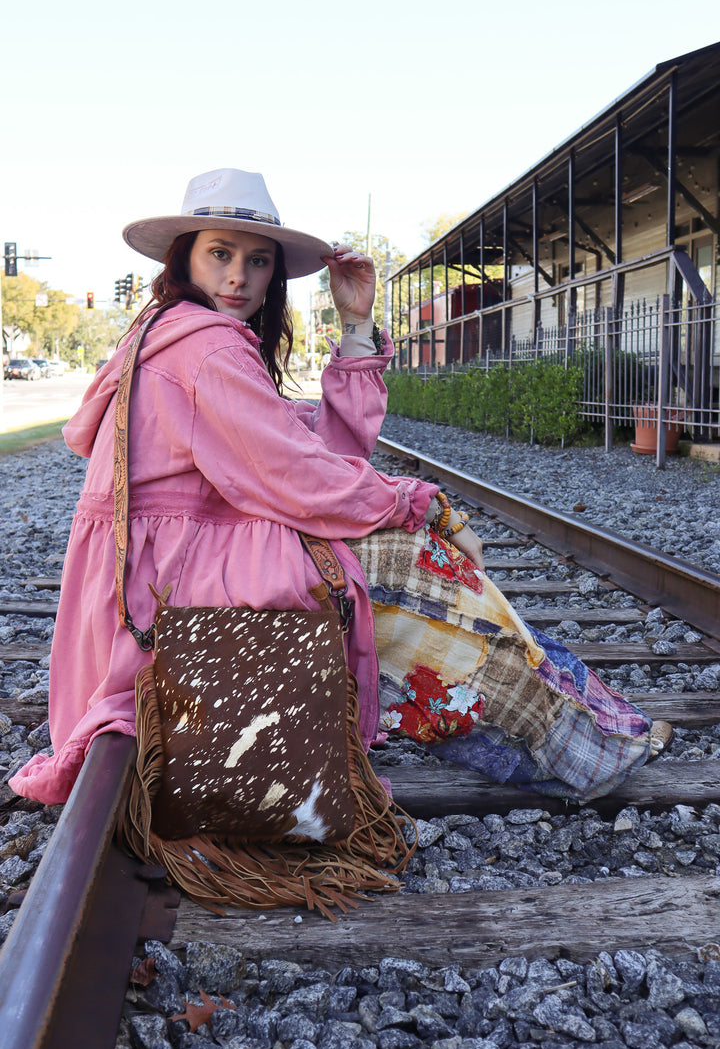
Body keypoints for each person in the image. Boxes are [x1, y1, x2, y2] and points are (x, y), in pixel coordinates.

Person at [10, 168, 670, 811]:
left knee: (402, 565)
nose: (239, 276)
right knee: (410, 568)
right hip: (174, 581)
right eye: (220, 254)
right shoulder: (204, 349)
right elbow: (302, 477)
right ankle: (584, 749)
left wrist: (356, 329)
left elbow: (316, 455)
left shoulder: (174, 336)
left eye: (258, 261)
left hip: (164, 571)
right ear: (185, 259)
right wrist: (425, 505)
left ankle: (591, 733)